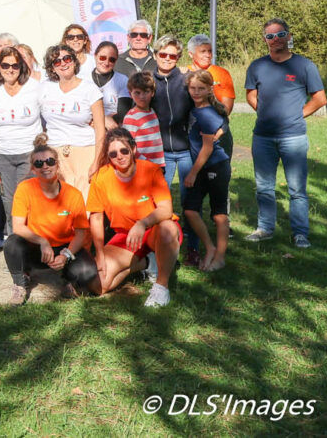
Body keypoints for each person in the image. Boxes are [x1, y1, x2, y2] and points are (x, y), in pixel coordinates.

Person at [244, 18, 326, 248]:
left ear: (289, 36)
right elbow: (250, 93)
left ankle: (300, 233)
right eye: (270, 36)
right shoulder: (257, 66)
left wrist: (298, 115)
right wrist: (261, 110)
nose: (275, 40)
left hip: (294, 137)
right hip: (263, 137)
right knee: (264, 187)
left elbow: (320, 99)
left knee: (297, 189)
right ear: (265, 40)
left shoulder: (304, 66)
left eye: (280, 35)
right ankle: (265, 228)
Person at [88, 128, 182, 308]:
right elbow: (96, 218)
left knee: (168, 228)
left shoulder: (151, 170)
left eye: (124, 150)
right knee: (98, 284)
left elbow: (166, 209)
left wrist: (142, 223)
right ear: (108, 156)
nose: (120, 156)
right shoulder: (100, 177)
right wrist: (99, 253)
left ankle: (161, 287)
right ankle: (148, 262)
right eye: (113, 153)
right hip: (126, 236)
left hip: (155, 230)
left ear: (134, 149)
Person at [4, 134, 98, 305]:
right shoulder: (25, 188)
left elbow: (80, 234)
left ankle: (68, 280)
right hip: (36, 248)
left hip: (63, 248)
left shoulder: (73, 194)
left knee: (88, 272)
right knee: (12, 243)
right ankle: (20, 284)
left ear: (58, 165)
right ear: (33, 169)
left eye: (50, 162)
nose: (45, 166)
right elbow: (18, 226)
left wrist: (66, 254)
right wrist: (42, 241)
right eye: (39, 163)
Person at [149, 35, 196, 263]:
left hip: (185, 149)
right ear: (156, 54)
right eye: (163, 54)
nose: (167, 59)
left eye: (172, 55)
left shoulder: (186, 78)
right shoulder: (149, 81)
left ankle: (192, 248)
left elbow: (202, 104)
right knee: (161, 203)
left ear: (178, 57)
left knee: (190, 201)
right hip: (161, 152)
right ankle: (162, 246)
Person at [0, 46, 43, 247]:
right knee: (9, 200)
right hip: (3, 153)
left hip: (29, 152)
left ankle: (32, 242)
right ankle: (15, 243)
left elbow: (50, 113)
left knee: (27, 198)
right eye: (5, 65)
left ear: (21, 67)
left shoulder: (35, 87)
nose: (10, 69)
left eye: (14, 65)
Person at [39, 44, 105, 199]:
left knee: (85, 201)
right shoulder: (44, 88)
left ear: (74, 62)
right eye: (57, 61)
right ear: (52, 68)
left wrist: (97, 160)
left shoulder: (90, 89)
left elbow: (100, 129)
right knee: (61, 202)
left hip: (85, 150)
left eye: (67, 58)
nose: (63, 63)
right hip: (55, 154)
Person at [183, 70, 231, 271]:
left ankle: (220, 257)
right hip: (201, 167)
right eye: (192, 88)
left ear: (209, 89)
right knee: (190, 210)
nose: (195, 92)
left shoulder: (208, 113)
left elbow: (208, 147)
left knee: (218, 214)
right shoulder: (194, 108)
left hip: (215, 167)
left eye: (201, 88)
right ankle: (209, 247)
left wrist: (193, 172)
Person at [122, 72, 165, 168]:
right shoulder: (131, 118)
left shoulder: (153, 111)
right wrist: (147, 163)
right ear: (130, 94)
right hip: (143, 167)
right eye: (137, 92)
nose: (142, 96)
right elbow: (128, 145)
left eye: (146, 92)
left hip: (158, 165)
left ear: (152, 92)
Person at [186, 35, 235, 115]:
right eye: (203, 51)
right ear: (191, 54)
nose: (208, 55)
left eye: (210, 51)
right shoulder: (184, 73)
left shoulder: (222, 73)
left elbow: (227, 109)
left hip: (217, 119)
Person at [89, 41, 132, 129]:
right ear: (95, 56)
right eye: (102, 57)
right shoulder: (83, 79)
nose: (106, 62)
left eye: (112, 59)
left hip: (112, 129)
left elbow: (123, 112)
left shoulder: (123, 80)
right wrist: (102, 119)